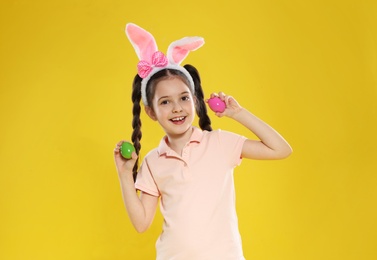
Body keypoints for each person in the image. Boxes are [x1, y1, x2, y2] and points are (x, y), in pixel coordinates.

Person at [114, 23, 292, 260]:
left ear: (195, 101)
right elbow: (141, 223)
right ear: (151, 112)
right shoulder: (152, 161)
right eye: (165, 102)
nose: (177, 108)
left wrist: (238, 113)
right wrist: (126, 175)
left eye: (184, 98)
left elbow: (280, 149)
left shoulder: (219, 143)